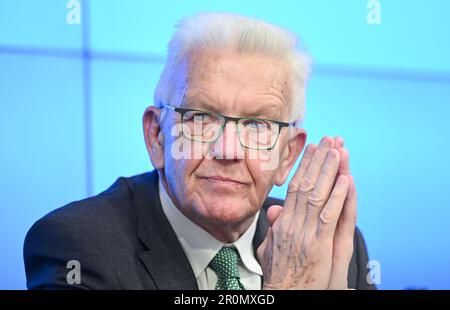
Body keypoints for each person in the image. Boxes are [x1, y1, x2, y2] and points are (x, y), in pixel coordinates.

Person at [24, 12, 375, 290]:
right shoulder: (77, 247)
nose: (228, 150)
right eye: (201, 117)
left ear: (287, 157)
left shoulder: (325, 248)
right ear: (157, 137)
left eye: (256, 125)